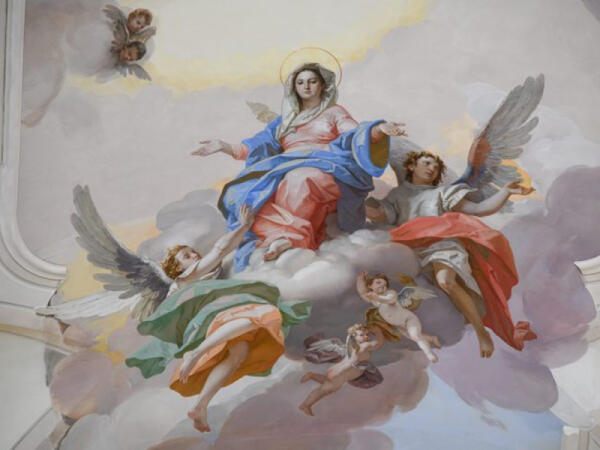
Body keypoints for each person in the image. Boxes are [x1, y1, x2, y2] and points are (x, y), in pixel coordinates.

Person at [192, 62, 406, 270]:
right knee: (240, 195)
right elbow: (256, 146)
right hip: (284, 166)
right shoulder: (285, 120)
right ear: (294, 87)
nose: (306, 86)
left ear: (322, 85)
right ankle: (285, 236)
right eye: (301, 82)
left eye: (312, 81)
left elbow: (355, 135)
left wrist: (379, 129)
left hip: (327, 166)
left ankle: (291, 239)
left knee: (301, 179)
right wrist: (222, 146)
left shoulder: (335, 112)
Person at [126, 204, 311, 432]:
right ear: (177, 268)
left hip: (212, 318)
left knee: (238, 353)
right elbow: (220, 249)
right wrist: (244, 225)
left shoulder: (201, 275)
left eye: (193, 252)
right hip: (210, 314)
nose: (195, 255)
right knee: (264, 313)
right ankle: (198, 352)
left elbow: (225, 255)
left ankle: (200, 406)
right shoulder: (187, 275)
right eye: (186, 256)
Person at [366, 151, 537, 358]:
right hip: (413, 250)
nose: (432, 168)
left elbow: (478, 209)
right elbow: (378, 215)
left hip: (443, 245)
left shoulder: (442, 193)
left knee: (445, 280)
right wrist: (354, 196)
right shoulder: (397, 196)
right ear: (411, 166)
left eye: (436, 167)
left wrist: (505, 192)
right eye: (427, 163)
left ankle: (482, 333)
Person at [356, 271, 440, 363]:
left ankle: (429, 354)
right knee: (414, 337)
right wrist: (360, 280)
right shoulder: (374, 298)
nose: (382, 285)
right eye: (378, 283)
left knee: (415, 336)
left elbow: (389, 300)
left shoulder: (390, 293)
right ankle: (432, 338)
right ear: (370, 286)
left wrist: (377, 298)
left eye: (385, 284)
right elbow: (363, 293)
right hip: (399, 325)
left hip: (409, 320)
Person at [299, 324, 381, 416]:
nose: (366, 337)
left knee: (327, 386)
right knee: (324, 390)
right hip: (340, 375)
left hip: (337, 371)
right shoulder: (363, 346)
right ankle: (305, 404)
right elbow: (378, 344)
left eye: (367, 334)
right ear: (354, 337)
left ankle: (312, 377)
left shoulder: (353, 345)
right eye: (362, 335)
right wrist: (378, 332)